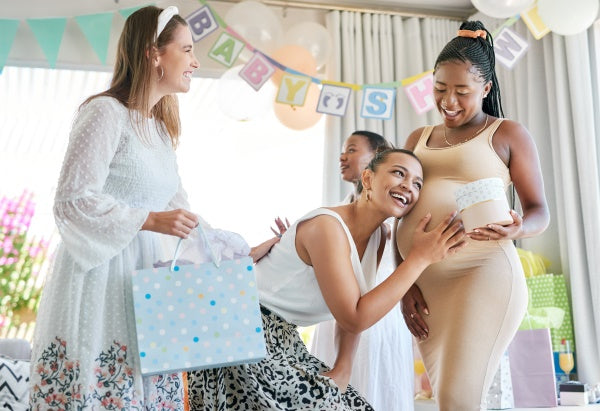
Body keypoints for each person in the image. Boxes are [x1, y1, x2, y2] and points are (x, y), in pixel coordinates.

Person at [188, 149, 466, 410]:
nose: (409, 186)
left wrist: (343, 369)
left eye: (418, 183)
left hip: (281, 338)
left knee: (352, 403)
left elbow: (356, 304)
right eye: (399, 173)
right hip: (235, 330)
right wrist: (419, 258)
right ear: (368, 178)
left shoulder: (379, 236)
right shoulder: (327, 228)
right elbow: (354, 317)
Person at [29, 6, 202, 409]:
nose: (195, 61)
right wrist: (149, 219)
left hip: (147, 282)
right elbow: (73, 200)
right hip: (101, 277)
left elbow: (183, 215)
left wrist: (244, 249)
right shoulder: (105, 113)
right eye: (188, 49)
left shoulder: (158, 130)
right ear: (153, 53)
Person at [395, 20, 550, 411]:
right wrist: (404, 283)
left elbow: (538, 210)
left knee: (457, 400)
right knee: (446, 399)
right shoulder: (418, 139)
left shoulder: (506, 134)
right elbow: (400, 215)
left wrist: (520, 227)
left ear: (486, 88)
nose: (448, 101)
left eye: (461, 92)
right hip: (427, 288)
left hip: (482, 275)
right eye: (440, 89)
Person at [309, 131, 415, 411]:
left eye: (352, 149)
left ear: (377, 157)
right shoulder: (335, 214)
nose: (343, 156)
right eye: (343, 150)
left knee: (375, 386)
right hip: (340, 312)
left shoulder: (396, 213)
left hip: (377, 312)